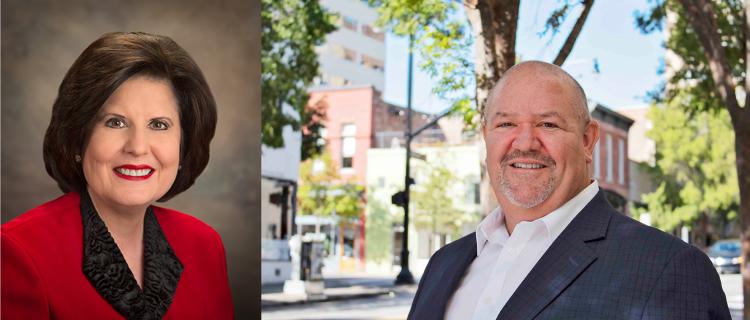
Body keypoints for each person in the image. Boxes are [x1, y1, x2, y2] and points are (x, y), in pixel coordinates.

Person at [408, 61, 730, 319]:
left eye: (548, 124)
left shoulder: (669, 270)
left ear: (587, 140)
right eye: (505, 124)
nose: (524, 142)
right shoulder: (443, 264)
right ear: (486, 136)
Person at [1, 32, 234, 319]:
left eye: (159, 125)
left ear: (183, 146)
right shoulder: (18, 251)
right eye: (115, 122)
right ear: (78, 139)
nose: (137, 147)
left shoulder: (204, 245)